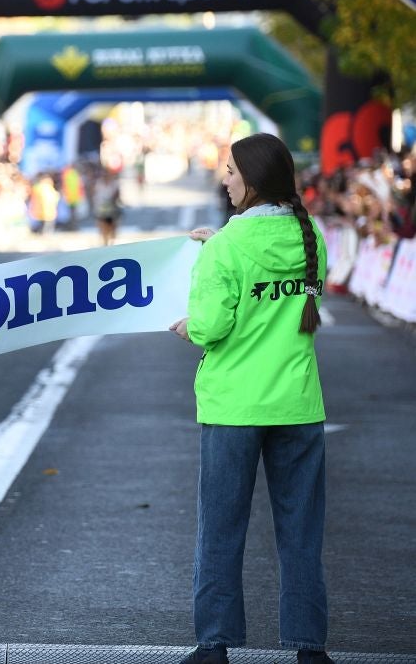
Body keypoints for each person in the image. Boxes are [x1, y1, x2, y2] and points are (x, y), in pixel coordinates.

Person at [168, 133, 332, 664]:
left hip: (234, 406)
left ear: (253, 182)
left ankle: (214, 645)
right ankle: (309, 646)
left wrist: (188, 325)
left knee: (220, 529)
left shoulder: (226, 247)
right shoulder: (312, 237)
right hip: (298, 404)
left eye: (232, 173)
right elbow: (275, 281)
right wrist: (221, 241)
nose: (225, 180)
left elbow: (213, 326)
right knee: (301, 533)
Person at [91, 168, 122, 247]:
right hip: (101, 210)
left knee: (112, 228)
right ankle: (105, 243)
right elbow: (94, 194)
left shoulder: (114, 183)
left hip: (111, 210)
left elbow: (118, 195)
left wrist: (113, 199)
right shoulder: (98, 183)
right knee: (103, 227)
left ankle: (111, 242)